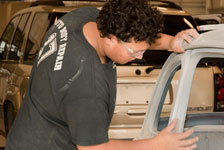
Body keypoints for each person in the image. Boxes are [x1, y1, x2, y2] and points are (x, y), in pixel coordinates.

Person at [5, 0, 199, 150]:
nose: (140, 57)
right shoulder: (86, 85)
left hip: (27, 135)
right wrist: (156, 144)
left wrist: (170, 42)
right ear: (111, 38)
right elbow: (95, 148)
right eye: (135, 53)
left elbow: (135, 36)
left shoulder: (84, 18)